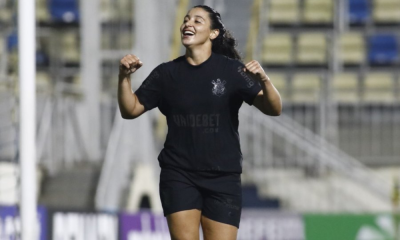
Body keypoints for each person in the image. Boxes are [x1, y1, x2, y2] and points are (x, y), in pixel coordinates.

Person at [118, 5, 282, 240]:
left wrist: (265, 80)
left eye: (197, 20)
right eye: (186, 20)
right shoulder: (166, 74)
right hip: (179, 174)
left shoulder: (233, 71)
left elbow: (274, 108)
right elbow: (130, 110)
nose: (188, 24)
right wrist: (123, 77)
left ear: (213, 33)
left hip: (223, 177)